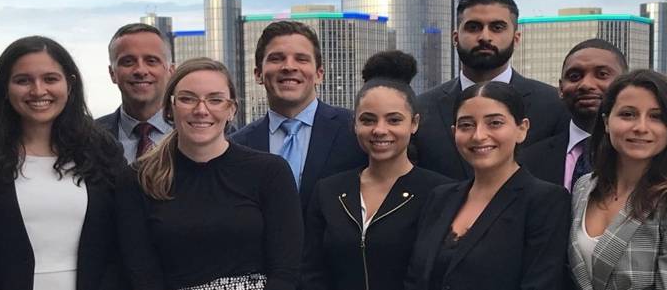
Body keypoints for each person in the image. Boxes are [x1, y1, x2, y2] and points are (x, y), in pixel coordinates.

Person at [0, 36, 127, 290]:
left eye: (50, 79)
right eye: (23, 80)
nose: (38, 91)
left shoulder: (103, 151)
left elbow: (123, 244)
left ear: (69, 85)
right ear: (5, 88)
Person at [117, 58, 302, 290]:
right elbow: (142, 276)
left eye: (215, 100)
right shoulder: (137, 180)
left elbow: (285, 271)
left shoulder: (270, 172)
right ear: (170, 109)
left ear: (231, 109)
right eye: (187, 99)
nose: (201, 110)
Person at [301, 52, 448, 290]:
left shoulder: (440, 193)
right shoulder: (328, 191)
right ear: (355, 123)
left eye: (394, 120)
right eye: (368, 120)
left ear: (414, 123)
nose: (380, 130)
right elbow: (312, 272)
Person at [404, 81, 570, 290]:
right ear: (454, 132)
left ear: (521, 129)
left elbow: (541, 283)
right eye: (466, 125)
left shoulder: (545, 201)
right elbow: (416, 278)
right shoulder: (440, 197)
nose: (479, 135)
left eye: (495, 123)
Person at [566, 70, 667, 290]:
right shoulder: (584, 187)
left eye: (656, 117)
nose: (640, 127)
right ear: (607, 122)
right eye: (628, 114)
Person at [414, 0, 570, 181]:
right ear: (455, 38)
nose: (485, 37)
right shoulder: (421, 108)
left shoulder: (554, 106)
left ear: (516, 38)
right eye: (473, 27)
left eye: (497, 27)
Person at [518, 39, 667, 191]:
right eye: (575, 76)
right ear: (561, 88)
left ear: (624, 83)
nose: (586, 84)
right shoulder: (528, 159)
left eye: (602, 74)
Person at [230, 21, 365, 205]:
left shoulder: (355, 131)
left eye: (301, 59)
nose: (289, 67)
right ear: (258, 74)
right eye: (276, 58)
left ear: (319, 74)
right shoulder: (237, 146)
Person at [96, 23, 175, 163]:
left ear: (171, 71)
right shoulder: (88, 138)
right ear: (112, 73)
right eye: (128, 62)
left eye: (151, 61)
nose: (140, 71)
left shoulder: (197, 131)